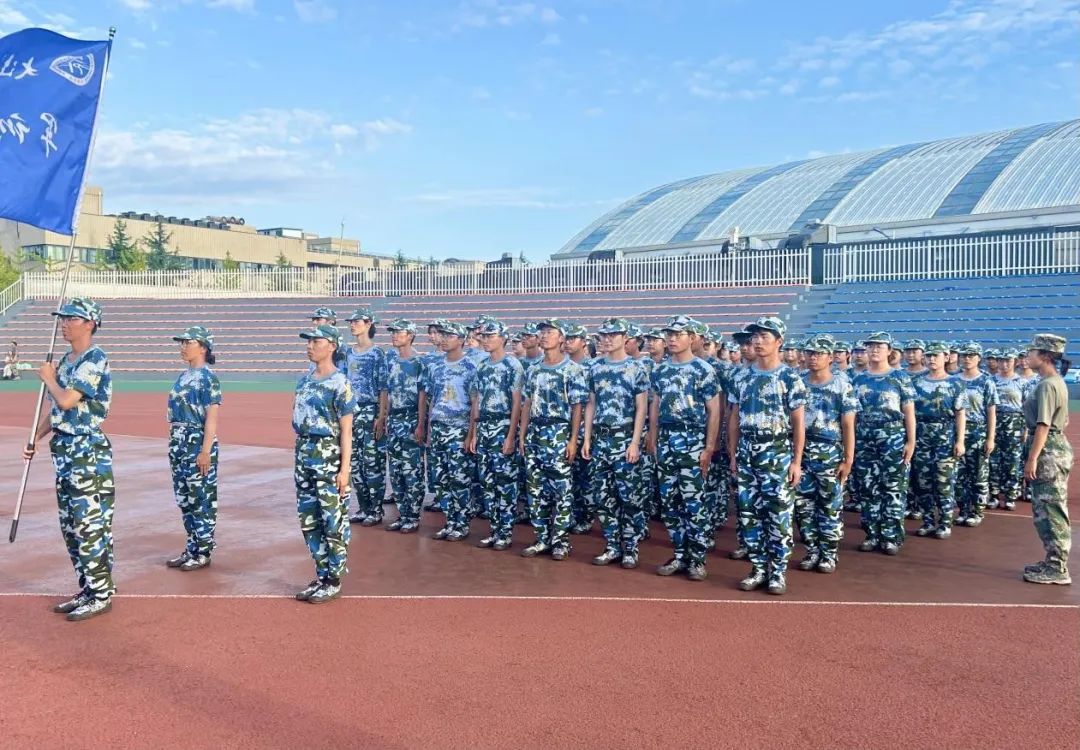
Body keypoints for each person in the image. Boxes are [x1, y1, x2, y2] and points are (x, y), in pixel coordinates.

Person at [24, 298, 115, 622]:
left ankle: (101, 594)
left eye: (71, 319)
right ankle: (88, 588)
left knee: (89, 525)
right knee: (71, 527)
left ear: (90, 324)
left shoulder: (94, 358)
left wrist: (49, 378)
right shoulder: (66, 360)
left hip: (86, 452)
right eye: (62, 318)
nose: (64, 324)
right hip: (64, 452)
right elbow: (56, 413)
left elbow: (66, 400)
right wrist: (35, 437)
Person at [727, 316, 806, 594]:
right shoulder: (741, 376)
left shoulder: (789, 377)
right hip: (747, 451)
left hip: (776, 451)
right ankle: (758, 568)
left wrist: (796, 461)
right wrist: (733, 454)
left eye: (764, 337)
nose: (758, 342)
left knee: (778, 514)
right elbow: (734, 418)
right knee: (749, 513)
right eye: (755, 337)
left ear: (779, 341)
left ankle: (778, 571)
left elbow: (798, 423)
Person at [648, 315, 720, 581]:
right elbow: (655, 406)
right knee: (669, 502)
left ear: (692, 338)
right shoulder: (660, 370)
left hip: (692, 440)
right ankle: (680, 553)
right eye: (669, 334)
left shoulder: (703, 370)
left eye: (678, 334)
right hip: (667, 440)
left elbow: (714, 411)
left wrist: (709, 447)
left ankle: (697, 559)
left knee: (694, 503)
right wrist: (652, 437)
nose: (672, 339)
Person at [293, 324, 355, 604]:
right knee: (309, 519)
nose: (310, 346)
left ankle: (334, 579)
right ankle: (322, 574)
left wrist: (344, 469)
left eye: (316, 342)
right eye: (308, 342)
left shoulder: (340, 383)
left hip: (328, 454)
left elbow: (346, 431)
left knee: (333, 519)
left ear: (332, 346)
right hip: (304, 453)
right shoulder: (304, 381)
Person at [518, 319, 589, 560]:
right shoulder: (533, 369)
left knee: (561, 490)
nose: (545, 336)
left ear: (561, 338)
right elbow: (527, 403)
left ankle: (560, 541)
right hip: (535, 432)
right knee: (535, 489)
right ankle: (541, 538)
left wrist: (572, 440)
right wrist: (522, 435)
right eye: (542, 332)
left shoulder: (573, 370)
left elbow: (577, 407)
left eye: (550, 332)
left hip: (558, 432)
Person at [582, 317, 649, 569]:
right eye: (604, 335)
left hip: (624, 438)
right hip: (601, 439)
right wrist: (587, 438)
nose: (607, 339)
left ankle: (630, 548)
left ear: (625, 338)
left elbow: (641, 408)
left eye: (613, 335)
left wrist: (635, 442)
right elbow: (591, 404)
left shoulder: (636, 368)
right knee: (603, 496)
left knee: (629, 497)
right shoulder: (595, 367)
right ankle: (612, 545)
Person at [794, 334, 856, 574]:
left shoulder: (842, 385)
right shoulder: (798, 382)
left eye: (819, 353)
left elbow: (848, 424)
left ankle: (828, 553)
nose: (813, 357)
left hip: (830, 452)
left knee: (830, 505)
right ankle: (812, 550)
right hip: (802, 451)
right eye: (810, 353)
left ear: (830, 357)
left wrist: (848, 459)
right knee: (803, 506)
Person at [851, 332, 916, 555]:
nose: (874, 350)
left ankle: (890, 536)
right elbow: (852, 415)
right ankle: (872, 534)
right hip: (864, 436)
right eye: (870, 346)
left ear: (889, 351)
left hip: (892, 436)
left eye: (880, 346)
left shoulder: (899, 377)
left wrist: (911, 441)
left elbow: (909, 412)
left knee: (893, 487)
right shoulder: (858, 379)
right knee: (868, 487)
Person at [165, 326, 222, 571]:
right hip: (178, 441)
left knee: (201, 498)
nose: (183, 347)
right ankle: (192, 547)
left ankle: (203, 550)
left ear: (203, 348)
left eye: (189, 343)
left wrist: (205, 451)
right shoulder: (183, 376)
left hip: (196, 440)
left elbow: (211, 418)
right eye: (182, 343)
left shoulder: (208, 378)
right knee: (184, 498)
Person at [467, 319, 525, 551]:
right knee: (487, 482)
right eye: (484, 336)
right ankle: (494, 530)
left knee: (505, 483)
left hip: (503, 426)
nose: (486, 340)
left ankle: (506, 532)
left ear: (503, 338)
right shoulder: (481, 366)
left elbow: (517, 403)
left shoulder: (512, 365)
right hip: (484, 427)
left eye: (491, 336)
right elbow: (477, 401)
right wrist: (474, 433)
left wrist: (511, 436)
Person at [1021, 334, 1072, 585]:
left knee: (1050, 509)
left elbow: (1043, 425)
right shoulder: (1052, 382)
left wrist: (1033, 458)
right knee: (1046, 507)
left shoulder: (1048, 385)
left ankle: (1057, 567)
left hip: (1048, 450)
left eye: (1032, 352)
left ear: (1045, 356)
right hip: (1051, 447)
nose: (1027, 357)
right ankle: (1052, 560)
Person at [421, 322, 478, 542]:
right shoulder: (436, 366)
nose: (444, 339)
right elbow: (432, 399)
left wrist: (471, 434)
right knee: (441, 479)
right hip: (438, 428)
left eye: (449, 336)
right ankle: (450, 521)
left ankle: (461, 524)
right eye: (442, 335)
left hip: (459, 429)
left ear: (461, 339)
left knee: (459, 479)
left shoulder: (470, 367)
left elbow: (474, 403)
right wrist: (428, 429)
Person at [910, 342, 966, 539]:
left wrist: (960, 441)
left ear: (946, 357)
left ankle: (944, 523)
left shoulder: (955, 383)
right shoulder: (916, 383)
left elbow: (960, 414)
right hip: (922, 437)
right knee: (922, 483)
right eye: (929, 355)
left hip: (945, 437)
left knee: (944, 483)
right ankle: (927, 521)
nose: (932, 359)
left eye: (936, 355)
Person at [343, 307, 389, 526]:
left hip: (370, 411)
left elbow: (383, 388)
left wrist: (381, 416)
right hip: (352, 412)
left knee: (373, 463)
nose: (352, 325)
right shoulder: (348, 353)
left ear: (369, 324)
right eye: (351, 322)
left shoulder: (377, 353)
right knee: (355, 463)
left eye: (357, 321)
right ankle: (363, 507)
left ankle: (376, 510)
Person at [383, 319, 426, 533]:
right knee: (396, 470)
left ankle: (413, 516)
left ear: (410, 335)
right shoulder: (391, 361)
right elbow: (388, 392)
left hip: (411, 420)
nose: (394, 335)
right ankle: (403, 514)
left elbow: (422, 395)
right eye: (393, 332)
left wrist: (420, 424)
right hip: (394, 420)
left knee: (412, 471)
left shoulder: (419, 362)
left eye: (398, 332)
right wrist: (385, 417)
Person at [954, 342, 998, 527]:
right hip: (956, 431)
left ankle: (977, 511)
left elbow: (991, 412)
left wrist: (990, 438)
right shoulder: (953, 380)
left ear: (979, 358)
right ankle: (963, 510)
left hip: (977, 431)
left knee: (979, 474)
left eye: (971, 355)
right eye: (964, 355)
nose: (967, 359)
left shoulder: (986, 381)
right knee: (959, 475)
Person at [563, 323, 595, 534]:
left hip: (585, 430)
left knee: (585, 477)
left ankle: (586, 516)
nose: (568, 342)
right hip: (564, 428)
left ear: (584, 342)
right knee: (568, 476)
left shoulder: (592, 367)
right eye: (566, 338)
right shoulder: (563, 366)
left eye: (573, 338)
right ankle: (572, 515)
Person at [990, 348, 1025, 512]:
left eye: (1008, 361)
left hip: (1014, 423)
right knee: (993, 460)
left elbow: (1026, 407)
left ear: (1015, 362)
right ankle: (994, 495)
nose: (1004, 364)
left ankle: (1010, 495)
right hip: (994, 422)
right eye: (1001, 360)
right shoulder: (991, 381)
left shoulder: (1021, 382)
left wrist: (1025, 429)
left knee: (1013, 460)